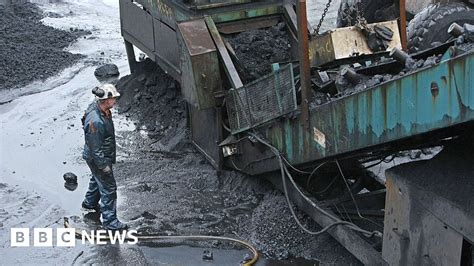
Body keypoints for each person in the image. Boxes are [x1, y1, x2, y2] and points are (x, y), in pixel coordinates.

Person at [81, 83, 127, 230]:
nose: (115, 100)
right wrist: (103, 166)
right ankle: (110, 222)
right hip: (98, 158)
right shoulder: (95, 121)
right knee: (109, 188)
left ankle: (89, 203)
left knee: (96, 179)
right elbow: (95, 148)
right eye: (113, 98)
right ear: (106, 100)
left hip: (97, 156)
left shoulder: (100, 109)